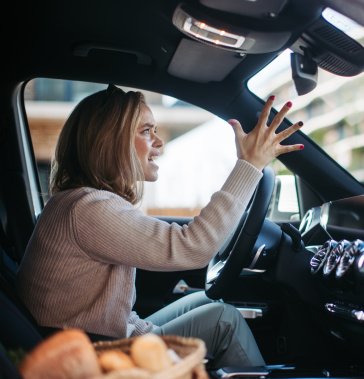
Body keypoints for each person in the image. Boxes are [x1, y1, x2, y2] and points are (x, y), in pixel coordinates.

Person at [16, 84, 304, 367]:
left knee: (204, 302)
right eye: (145, 131)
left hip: (89, 340)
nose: (158, 141)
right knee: (222, 320)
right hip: (87, 356)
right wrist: (250, 165)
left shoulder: (81, 202)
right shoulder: (88, 208)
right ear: (110, 141)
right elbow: (193, 247)